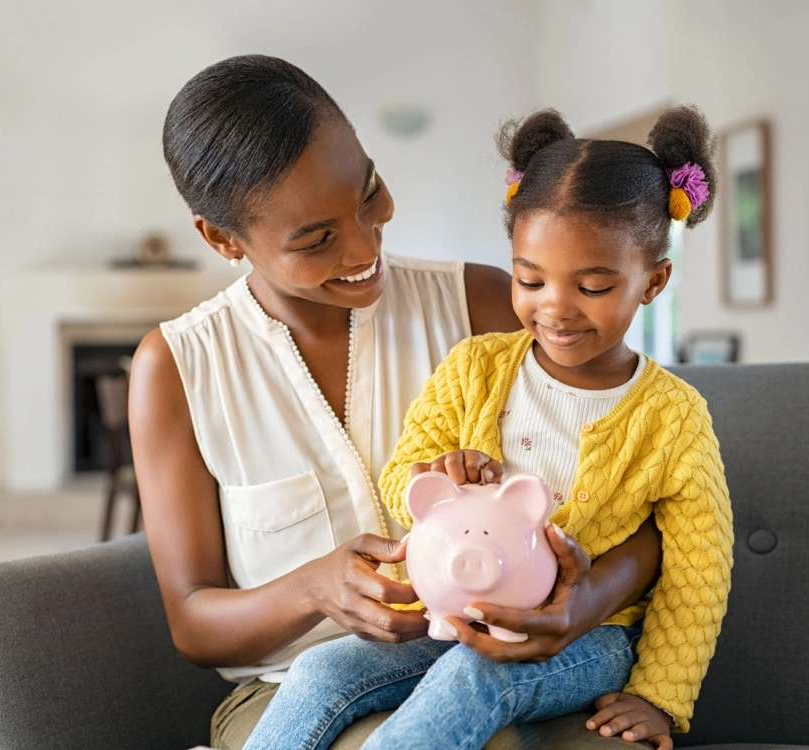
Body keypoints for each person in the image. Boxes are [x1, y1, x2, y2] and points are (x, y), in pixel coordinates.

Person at [130, 55, 664, 750]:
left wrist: (584, 603)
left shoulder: (483, 306)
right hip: (292, 696)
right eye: (317, 238)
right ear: (222, 239)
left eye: (369, 192)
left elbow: (652, 492)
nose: (364, 244)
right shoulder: (178, 367)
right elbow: (193, 623)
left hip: (502, 660)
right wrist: (312, 590)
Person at [241, 106, 733, 750]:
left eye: (592, 286)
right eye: (530, 279)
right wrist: (436, 475)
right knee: (324, 668)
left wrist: (659, 698)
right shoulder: (475, 368)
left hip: (594, 637)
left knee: (473, 679)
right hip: (451, 615)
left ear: (653, 281)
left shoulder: (673, 416)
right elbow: (402, 478)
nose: (554, 307)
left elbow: (701, 569)